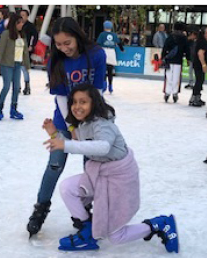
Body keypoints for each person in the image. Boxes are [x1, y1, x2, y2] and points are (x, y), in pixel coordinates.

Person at [41, 83, 179, 252]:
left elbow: (102, 147)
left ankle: (159, 224)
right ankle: (87, 230)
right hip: (99, 173)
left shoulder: (103, 123)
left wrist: (64, 145)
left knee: (116, 236)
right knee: (67, 188)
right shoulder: (83, 125)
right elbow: (78, 143)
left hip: (120, 178)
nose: (77, 106)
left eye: (83, 102)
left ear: (94, 103)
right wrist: (55, 134)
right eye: (74, 102)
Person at [26, 17, 107, 237]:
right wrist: (72, 128)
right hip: (64, 123)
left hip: (91, 123)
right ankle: (40, 209)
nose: (64, 48)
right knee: (54, 166)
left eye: (67, 43)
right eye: (59, 44)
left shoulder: (97, 54)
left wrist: (88, 125)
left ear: (77, 36)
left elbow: (98, 90)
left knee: (91, 169)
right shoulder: (56, 60)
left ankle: (83, 211)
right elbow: (62, 98)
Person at [0, 13, 29, 120]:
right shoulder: (6, 34)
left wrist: (27, 65)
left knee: (16, 87)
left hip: (17, 64)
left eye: (22, 22)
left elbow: (25, 52)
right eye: (19, 22)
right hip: (7, 64)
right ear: (14, 23)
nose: (22, 24)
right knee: (6, 86)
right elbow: (1, 49)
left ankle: (13, 109)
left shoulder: (22, 35)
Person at [161, 22, 189, 103]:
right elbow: (186, 49)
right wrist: (188, 58)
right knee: (176, 77)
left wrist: (163, 57)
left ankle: (167, 92)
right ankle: (175, 93)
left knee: (168, 76)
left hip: (169, 60)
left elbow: (165, 47)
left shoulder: (170, 36)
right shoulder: (183, 38)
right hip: (178, 60)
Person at [97, 20, 124, 94]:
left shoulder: (102, 34)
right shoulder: (114, 35)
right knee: (110, 70)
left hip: (104, 51)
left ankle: (104, 84)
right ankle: (110, 86)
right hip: (111, 52)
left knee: (103, 69)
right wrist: (122, 49)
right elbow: (119, 43)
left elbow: (98, 43)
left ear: (104, 27)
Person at [18, 9, 38, 95]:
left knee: (24, 68)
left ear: (27, 16)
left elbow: (35, 36)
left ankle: (27, 86)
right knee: (17, 68)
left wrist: (32, 46)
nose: (22, 16)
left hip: (26, 50)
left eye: (23, 15)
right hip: (17, 49)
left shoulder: (30, 26)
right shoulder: (17, 25)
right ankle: (17, 86)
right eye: (21, 15)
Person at [189, 27, 207, 107]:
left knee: (200, 80)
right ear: (204, 34)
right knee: (199, 81)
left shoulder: (200, 41)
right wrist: (204, 64)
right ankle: (194, 98)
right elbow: (200, 53)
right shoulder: (203, 42)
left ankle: (197, 97)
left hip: (197, 64)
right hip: (199, 65)